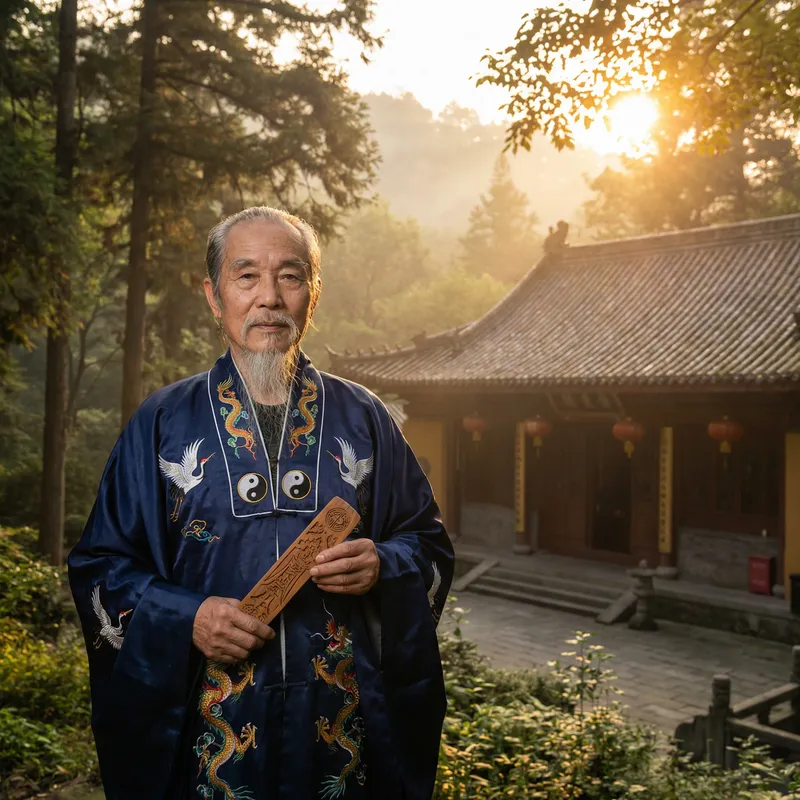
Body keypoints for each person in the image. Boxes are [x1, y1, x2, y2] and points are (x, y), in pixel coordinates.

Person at [68, 206, 454, 800]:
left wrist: (384, 565)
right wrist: (185, 617)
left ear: (313, 294)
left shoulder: (366, 419)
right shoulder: (163, 423)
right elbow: (101, 567)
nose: (269, 297)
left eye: (290, 276)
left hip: (341, 745)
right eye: (246, 276)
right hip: (207, 742)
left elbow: (426, 543)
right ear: (213, 295)